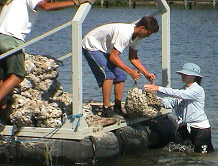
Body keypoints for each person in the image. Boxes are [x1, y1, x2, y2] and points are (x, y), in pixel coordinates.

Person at [0, 0, 94, 129]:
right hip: (11, 39)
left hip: (1, 37)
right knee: (17, 75)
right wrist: (75, 2)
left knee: (3, 79)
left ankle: (1, 118)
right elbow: (47, 7)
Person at [82, 16, 159, 117]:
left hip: (105, 49)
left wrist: (146, 73)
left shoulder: (138, 37)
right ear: (142, 28)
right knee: (108, 74)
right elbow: (113, 57)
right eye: (148, 33)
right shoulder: (125, 33)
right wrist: (131, 71)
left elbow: (133, 57)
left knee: (121, 75)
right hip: (92, 45)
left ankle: (117, 108)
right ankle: (106, 109)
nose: (148, 36)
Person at [144, 63, 214, 153]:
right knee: (179, 153)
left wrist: (158, 88)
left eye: (186, 74)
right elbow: (170, 103)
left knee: (202, 155)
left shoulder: (198, 90)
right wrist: (153, 99)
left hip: (201, 129)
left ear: (194, 76)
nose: (183, 76)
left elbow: (180, 94)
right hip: (184, 127)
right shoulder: (182, 89)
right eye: (182, 74)